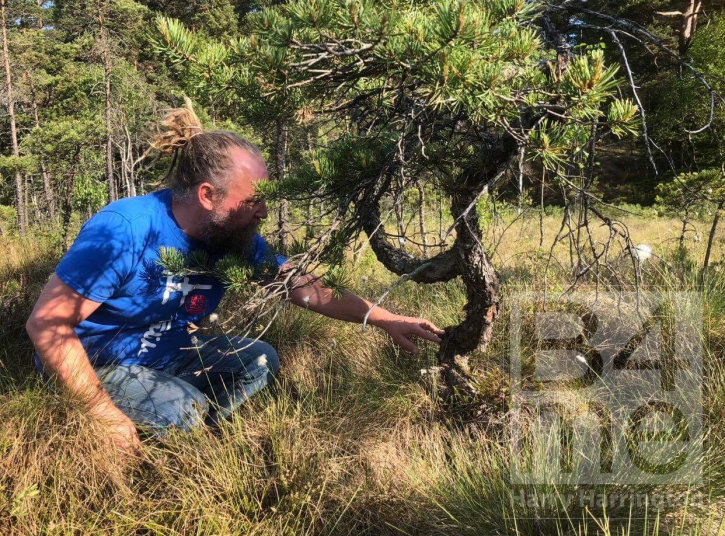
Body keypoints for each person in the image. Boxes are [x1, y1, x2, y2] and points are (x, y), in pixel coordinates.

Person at [25, 102, 445, 454]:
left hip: (166, 355)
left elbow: (308, 291)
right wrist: (101, 411)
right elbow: (46, 323)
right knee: (182, 408)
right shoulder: (126, 228)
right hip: (96, 363)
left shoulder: (233, 237)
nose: (264, 211)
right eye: (254, 200)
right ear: (208, 195)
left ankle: (201, 440)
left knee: (260, 360)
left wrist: (388, 320)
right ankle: (168, 441)